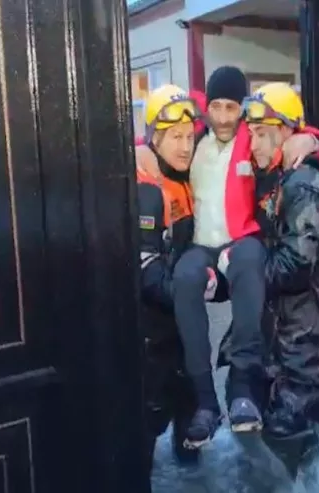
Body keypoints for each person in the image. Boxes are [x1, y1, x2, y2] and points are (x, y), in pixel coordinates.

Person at [135, 66, 319, 449]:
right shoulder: (195, 140)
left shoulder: (250, 139)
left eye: (232, 108)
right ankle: (205, 403)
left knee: (248, 265)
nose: (224, 117)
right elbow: (162, 134)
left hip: (241, 246)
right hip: (197, 255)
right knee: (185, 281)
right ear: (207, 109)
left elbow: (294, 136)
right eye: (216, 107)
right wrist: (139, 147)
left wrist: (311, 140)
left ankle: (242, 390)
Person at [242, 82, 319, 438]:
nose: (253, 144)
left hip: (302, 343)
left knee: (292, 436)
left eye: (262, 134)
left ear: (286, 133)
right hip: (289, 334)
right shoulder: (282, 176)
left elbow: (296, 265)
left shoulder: (303, 184)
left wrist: (240, 274)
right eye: (251, 134)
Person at [136, 84, 203, 470]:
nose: (185, 146)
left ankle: (193, 471)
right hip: (154, 331)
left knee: (190, 412)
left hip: (183, 327)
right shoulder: (147, 190)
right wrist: (190, 292)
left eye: (189, 137)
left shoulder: (186, 176)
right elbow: (145, 269)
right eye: (175, 137)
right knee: (147, 421)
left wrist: (312, 141)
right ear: (155, 139)